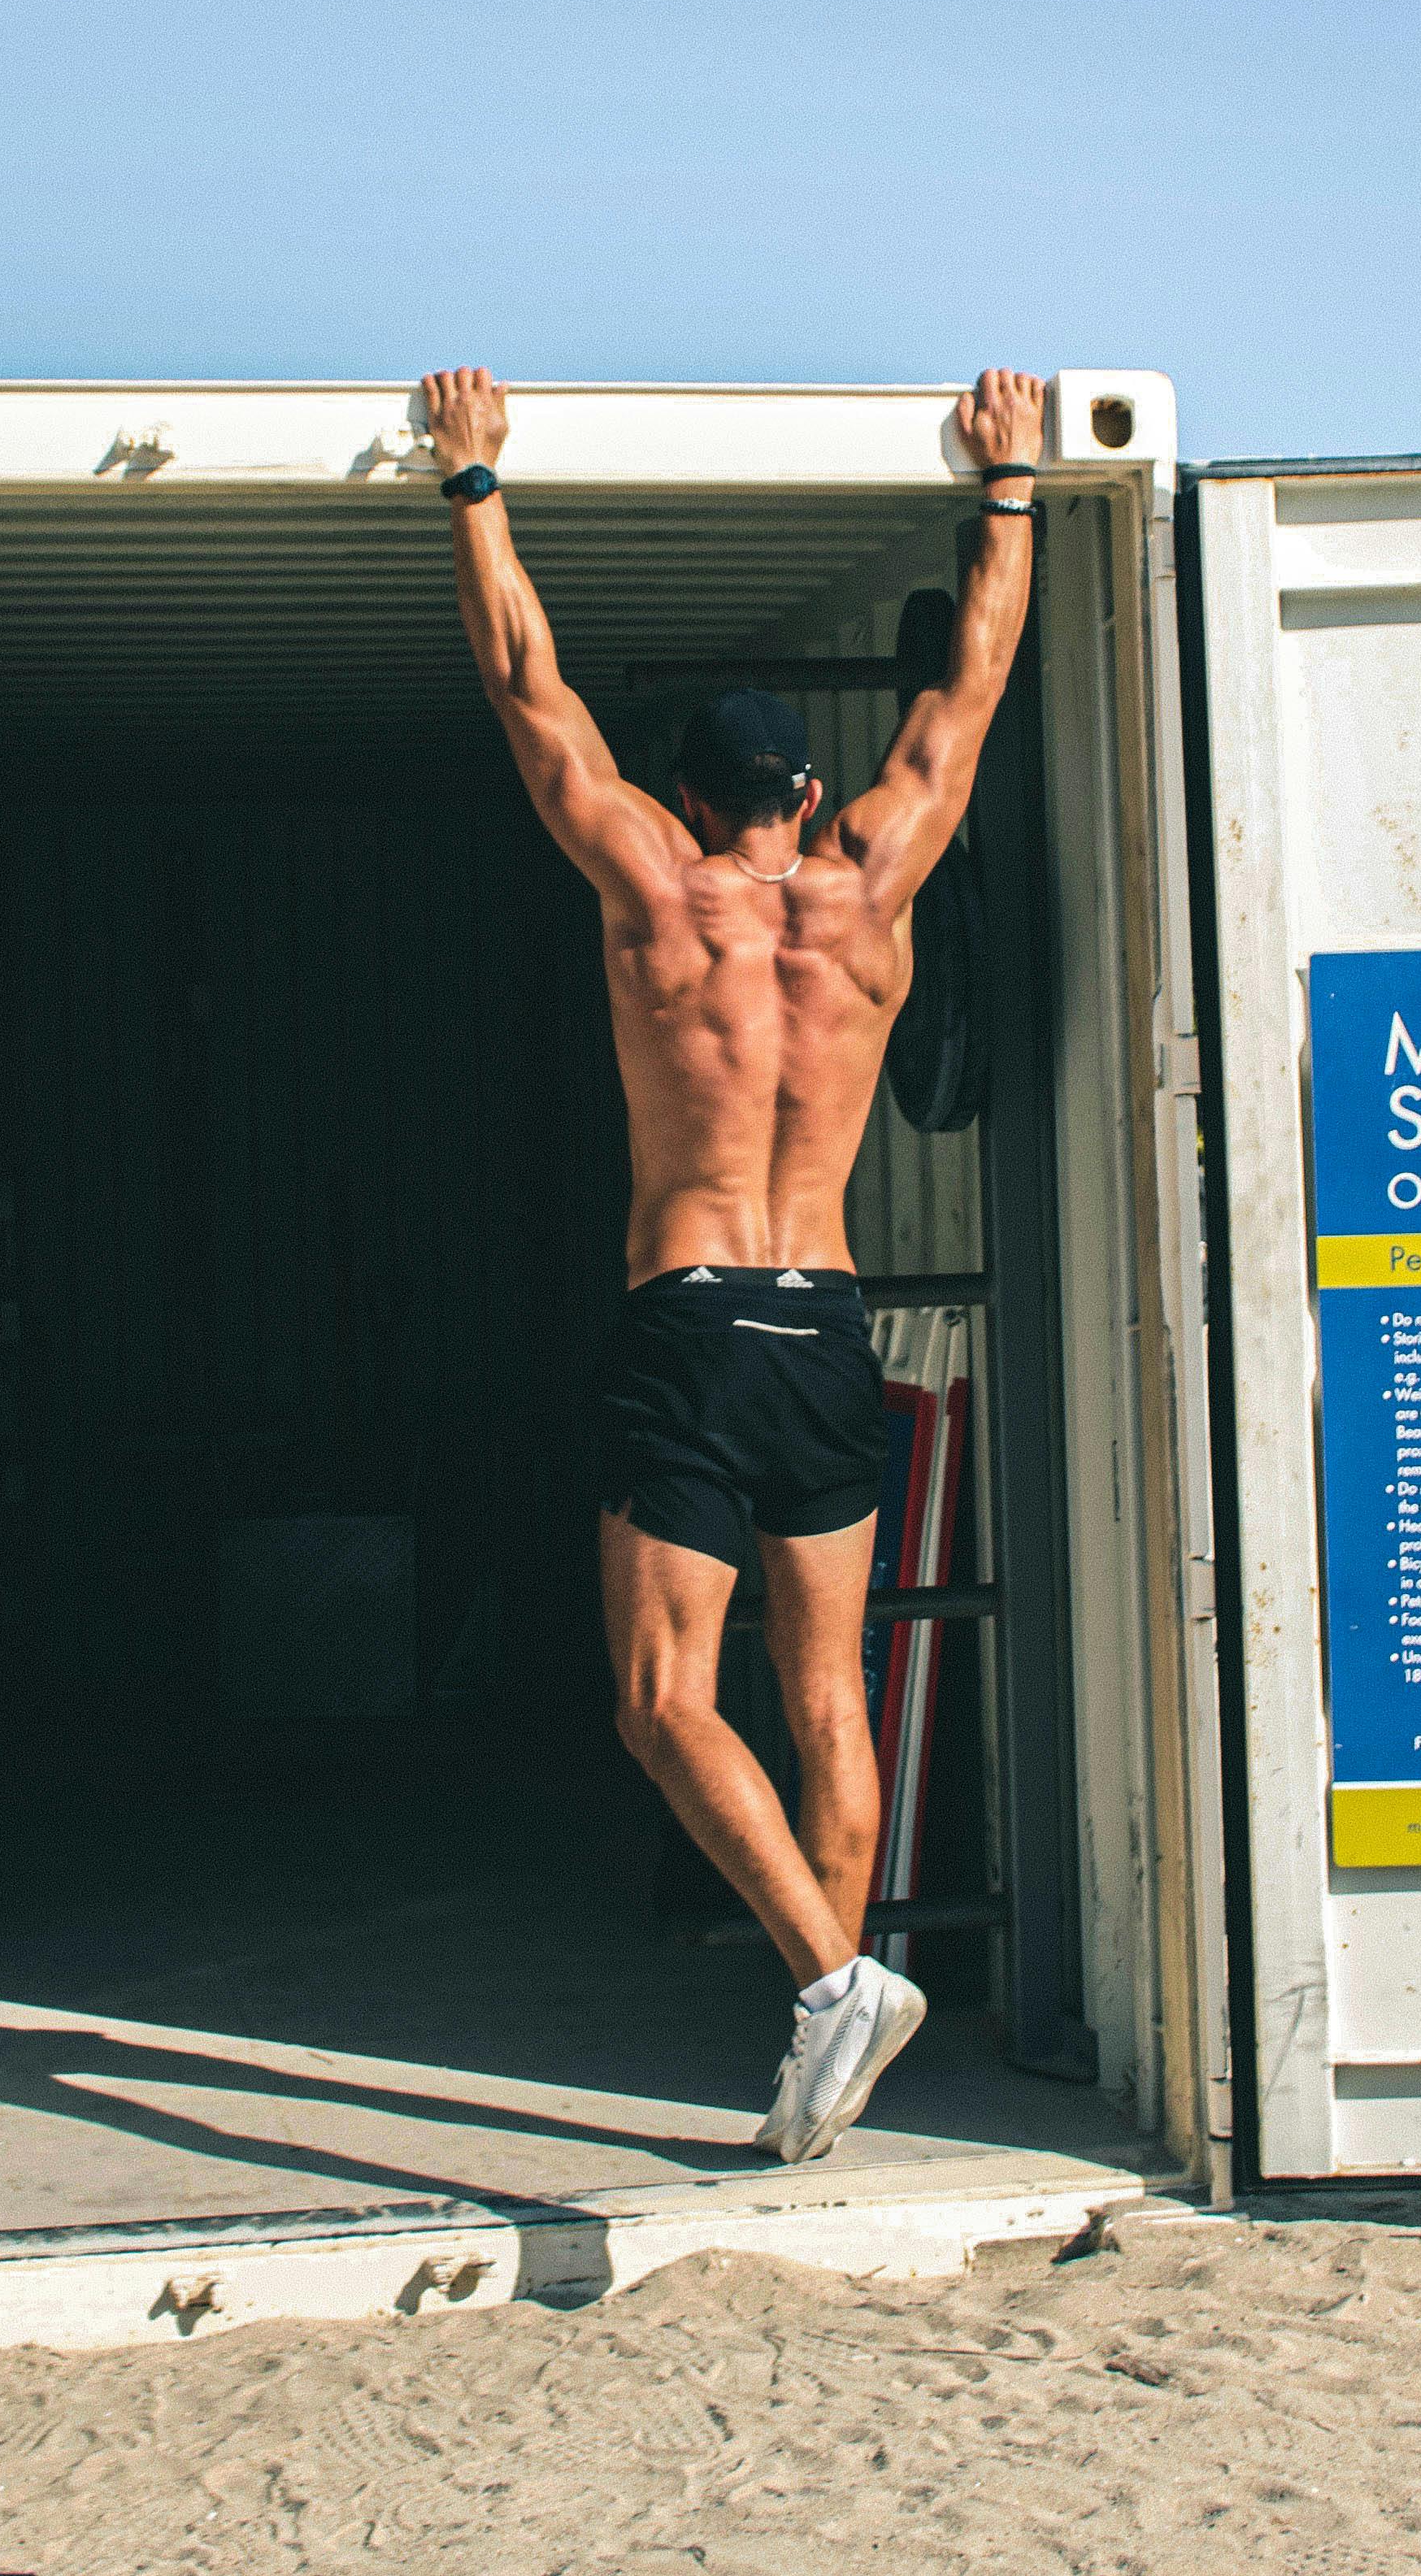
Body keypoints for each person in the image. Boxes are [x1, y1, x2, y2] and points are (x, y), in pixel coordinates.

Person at [422, 359, 1048, 2161]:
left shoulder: (655, 893)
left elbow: (527, 693)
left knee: (658, 1697)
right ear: (808, 789)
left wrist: (476, 487)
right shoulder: (877, 884)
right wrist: (1005, 493)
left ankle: (826, 1987)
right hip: (830, 1322)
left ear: (690, 799)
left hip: (690, 1325)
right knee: (827, 1694)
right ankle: (827, 2051)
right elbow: (972, 690)